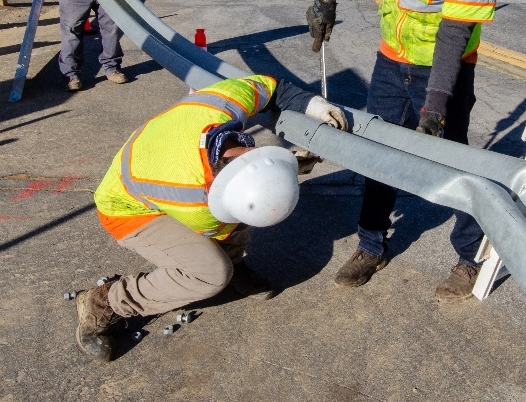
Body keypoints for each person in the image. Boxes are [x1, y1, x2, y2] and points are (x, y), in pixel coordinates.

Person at [306, 0, 501, 301]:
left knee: (454, 159)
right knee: (379, 153)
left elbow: (456, 29)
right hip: (392, 60)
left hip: (446, 68)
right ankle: (371, 244)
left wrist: (435, 103)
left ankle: (467, 257)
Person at [75, 74, 346, 361]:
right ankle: (106, 303)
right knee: (211, 272)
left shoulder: (223, 104)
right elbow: (223, 222)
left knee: (246, 212)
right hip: (126, 208)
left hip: (156, 165)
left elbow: (271, 87)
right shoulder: (190, 196)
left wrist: (313, 105)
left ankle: (233, 260)